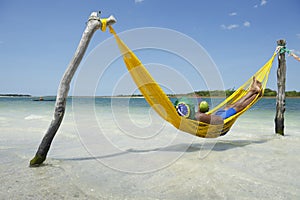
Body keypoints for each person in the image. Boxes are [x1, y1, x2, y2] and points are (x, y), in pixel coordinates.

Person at [194, 76, 262, 125]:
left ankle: (255, 93)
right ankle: (254, 92)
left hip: (219, 115)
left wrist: (199, 100)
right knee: (237, 106)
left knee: (234, 106)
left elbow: (201, 112)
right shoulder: (198, 116)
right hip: (221, 118)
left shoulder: (195, 116)